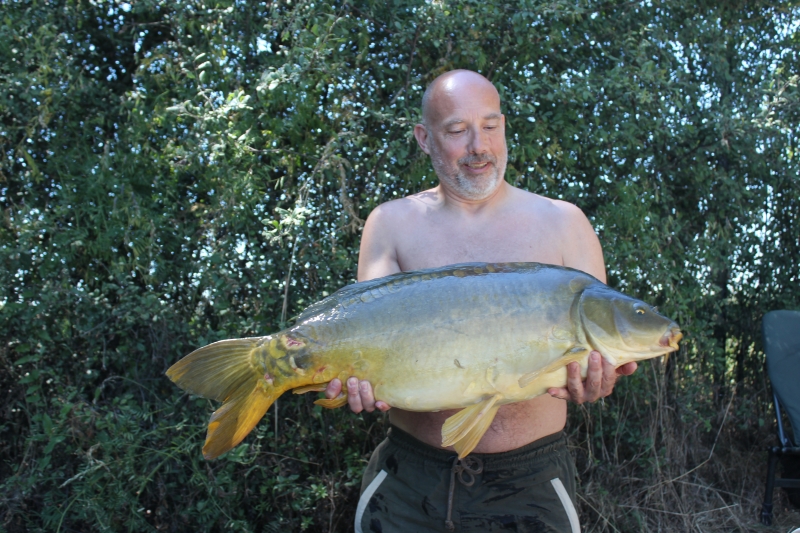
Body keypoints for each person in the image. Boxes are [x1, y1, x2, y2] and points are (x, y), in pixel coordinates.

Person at [325, 69, 638, 533]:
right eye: (457, 130)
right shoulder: (390, 223)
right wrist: (357, 382)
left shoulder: (565, 223)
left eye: (490, 126)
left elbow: (594, 355)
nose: (479, 146)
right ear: (424, 138)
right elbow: (368, 344)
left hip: (531, 484)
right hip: (409, 484)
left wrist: (600, 380)